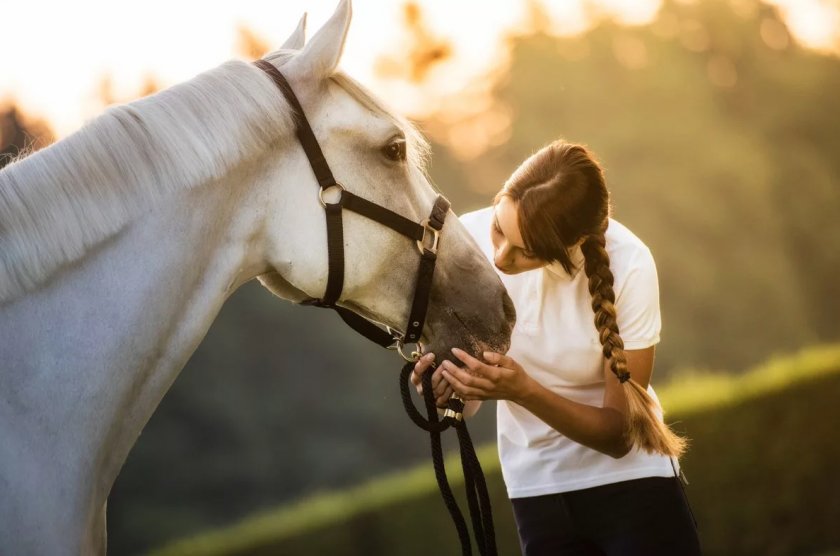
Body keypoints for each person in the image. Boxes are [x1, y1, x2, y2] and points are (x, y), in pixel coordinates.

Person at [412, 140, 701, 555]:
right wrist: (449, 387)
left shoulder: (630, 264)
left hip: (634, 489)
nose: (498, 257)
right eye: (498, 227)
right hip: (535, 492)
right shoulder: (464, 243)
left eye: (524, 252)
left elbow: (620, 435)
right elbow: (470, 400)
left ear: (575, 243)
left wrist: (523, 390)